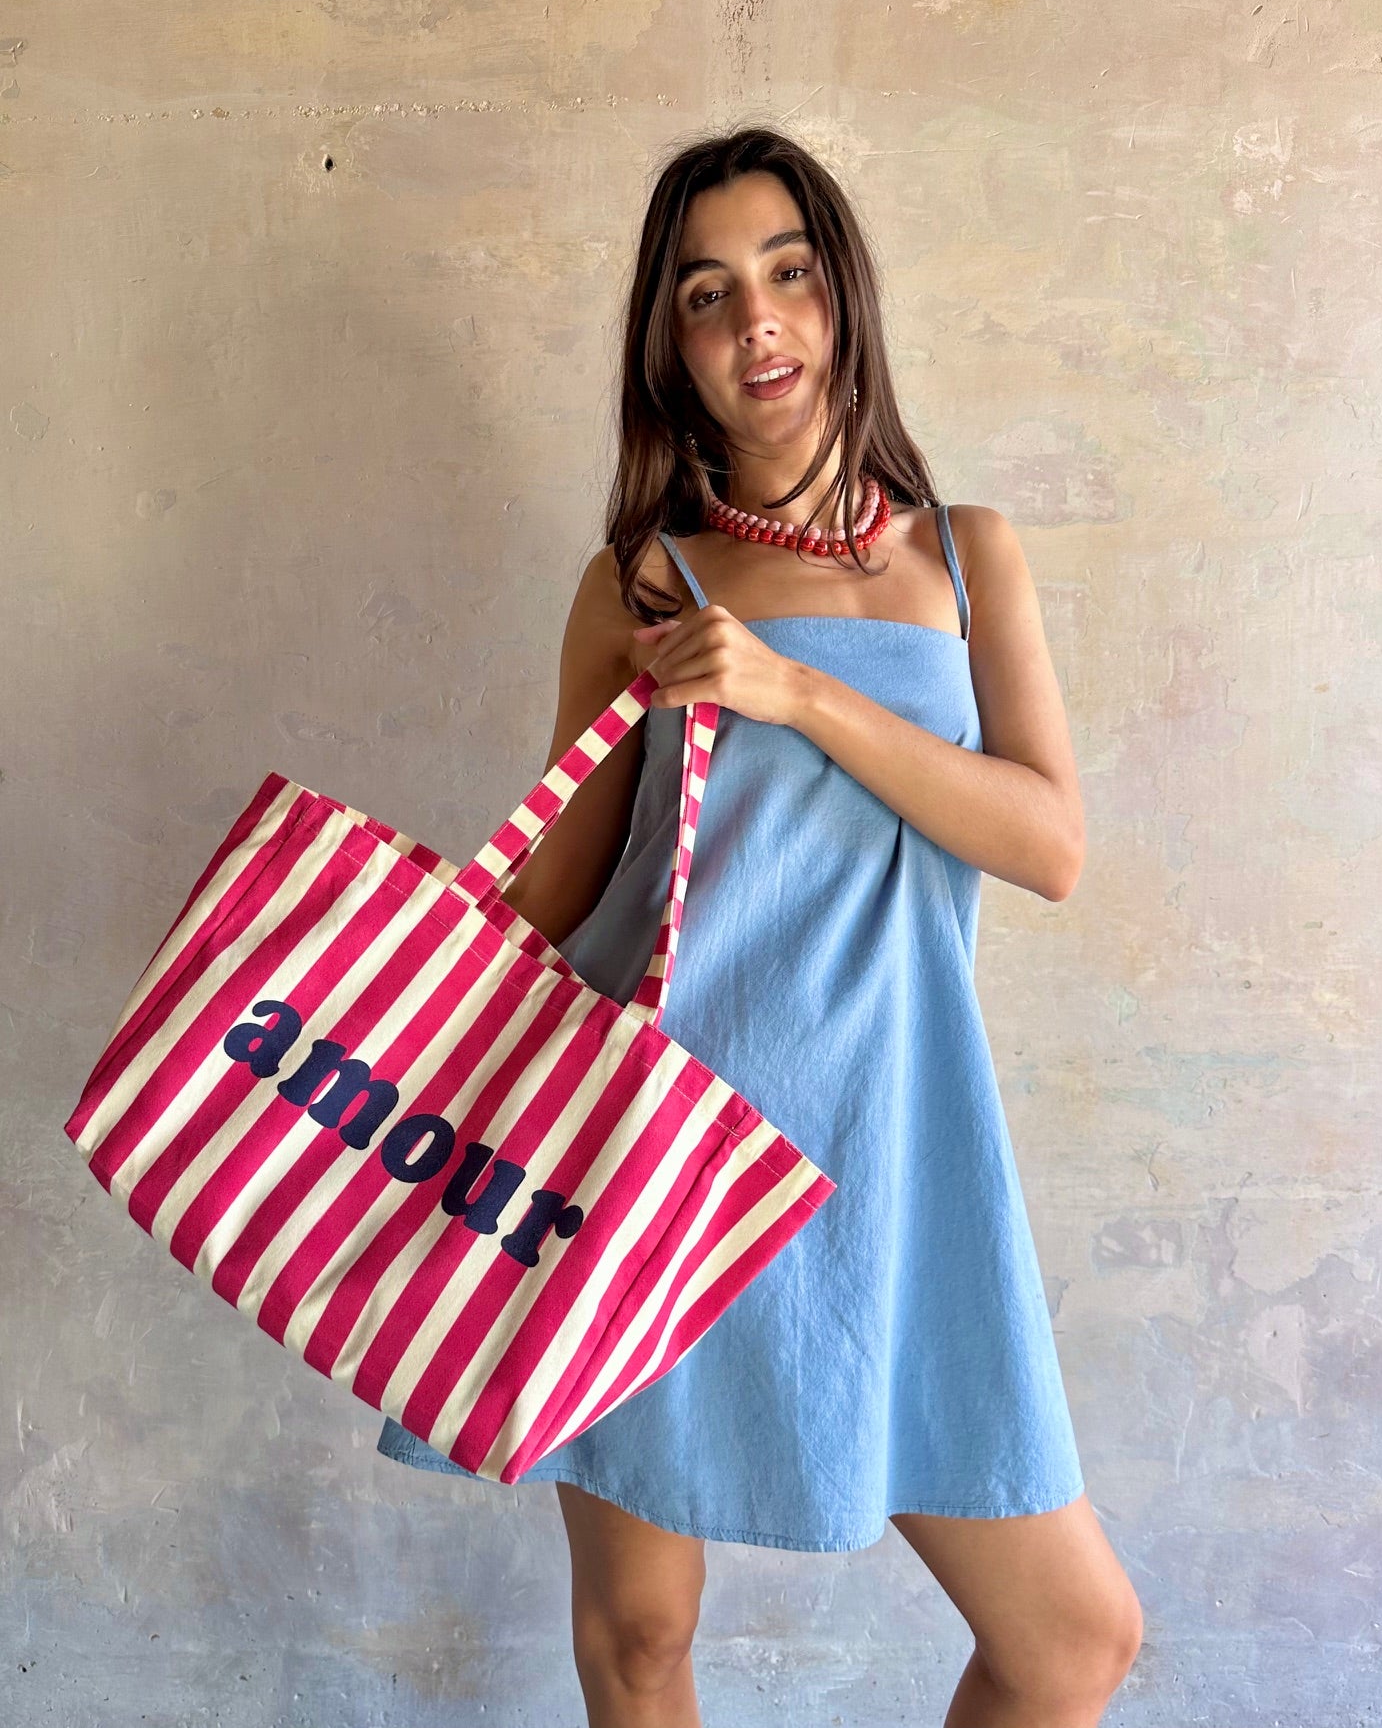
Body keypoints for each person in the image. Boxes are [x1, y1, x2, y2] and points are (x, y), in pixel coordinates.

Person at [377, 125, 1144, 1726]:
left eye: (786, 272)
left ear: (841, 292)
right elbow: (561, 893)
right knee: (642, 1632)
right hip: (651, 1150)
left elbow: (1049, 843)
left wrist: (792, 692)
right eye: (706, 293)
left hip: (893, 1147)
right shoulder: (642, 583)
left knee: (1069, 1641)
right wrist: (365, 956)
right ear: (671, 345)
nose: (756, 322)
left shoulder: (965, 557)